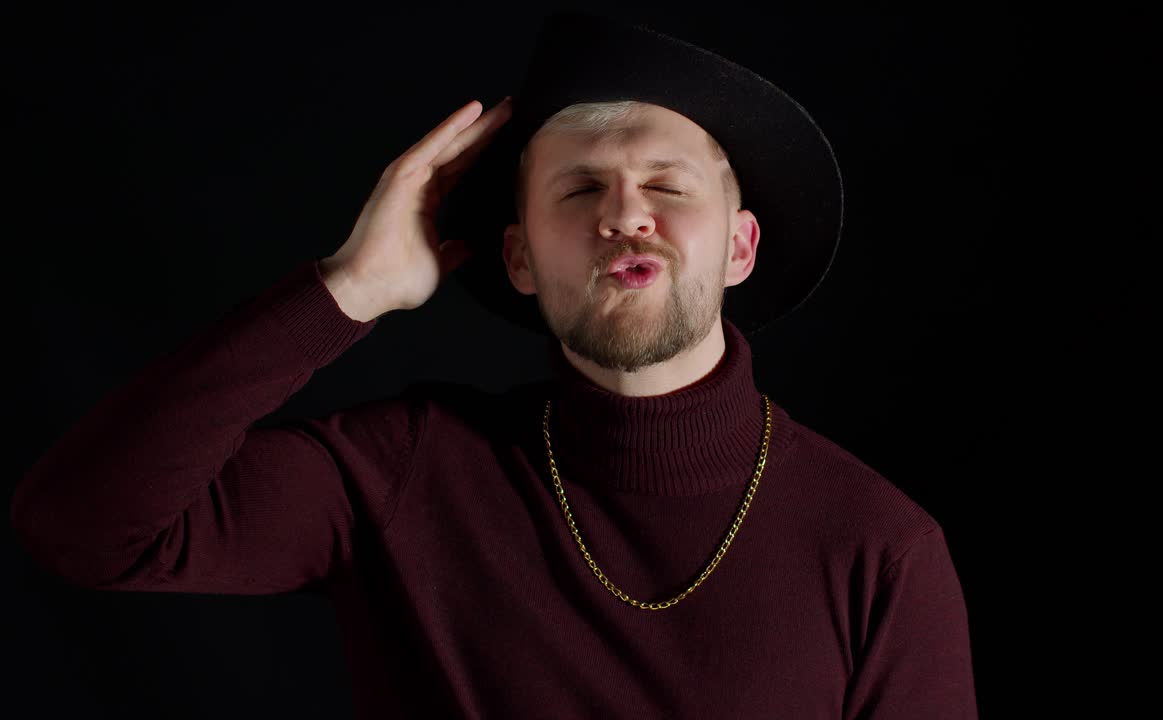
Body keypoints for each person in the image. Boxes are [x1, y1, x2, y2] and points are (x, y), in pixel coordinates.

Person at [11, 10, 979, 719]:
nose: (623, 213)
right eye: (579, 187)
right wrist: (345, 288)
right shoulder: (408, 474)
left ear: (740, 247)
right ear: (517, 257)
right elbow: (82, 526)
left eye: (666, 185)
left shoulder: (880, 554)